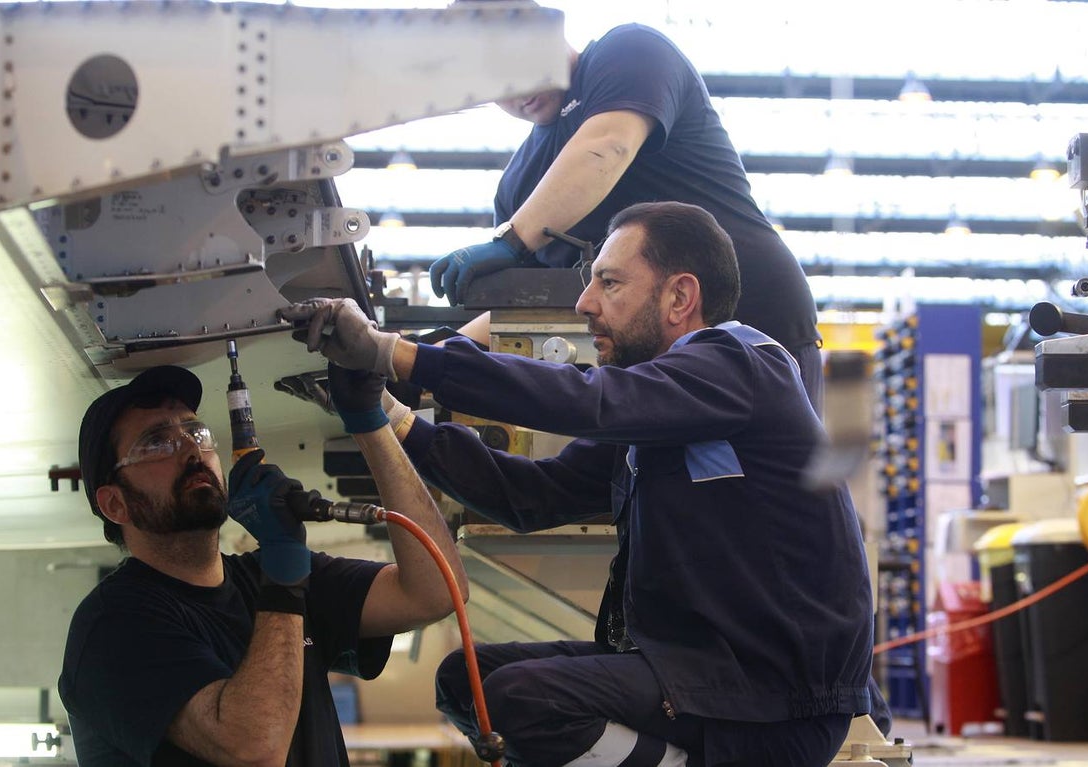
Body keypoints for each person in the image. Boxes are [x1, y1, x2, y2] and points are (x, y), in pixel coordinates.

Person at [282, 201, 874, 767]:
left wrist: (394, 352)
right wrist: (390, 413)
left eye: (610, 284)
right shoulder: (661, 416)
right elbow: (531, 497)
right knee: (469, 682)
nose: (586, 304)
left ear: (680, 296)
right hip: (707, 675)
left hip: (773, 699)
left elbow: (591, 400)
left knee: (527, 699)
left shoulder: (743, 364)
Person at [58, 362, 467, 766]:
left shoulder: (267, 577)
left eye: (195, 431)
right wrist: (284, 574)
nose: (190, 450)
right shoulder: (112, 626)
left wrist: (373, 422)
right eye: (156, 443)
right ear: (115, 503)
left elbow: (435, 592)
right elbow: (254, 748)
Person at [427, 17, 825, 411]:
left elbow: (607, 146)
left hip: (752, 324)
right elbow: (533, 304)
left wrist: (513, 240)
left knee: (766, 470)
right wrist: (428, 355)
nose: (515, 89)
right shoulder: (521, 186)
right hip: (644, 358)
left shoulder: (629, 54)